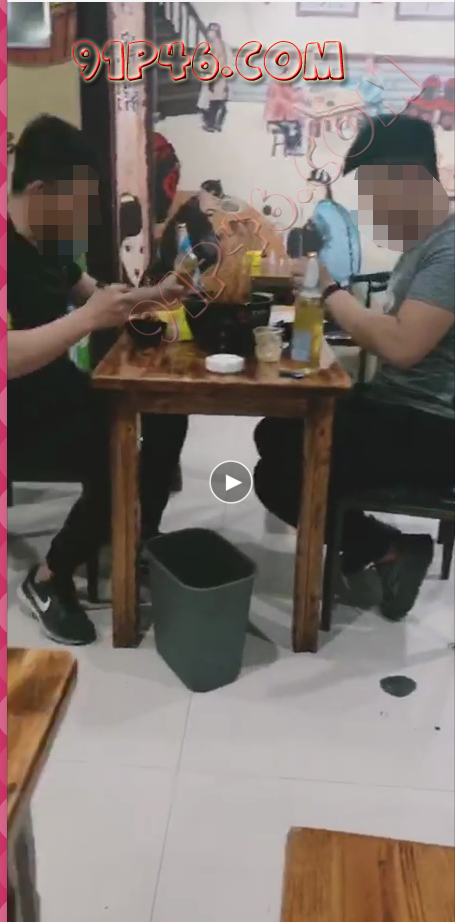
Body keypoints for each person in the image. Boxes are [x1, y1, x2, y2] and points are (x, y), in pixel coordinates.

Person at [254, 115, 454, 621]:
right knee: (276, 433)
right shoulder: (426, 242)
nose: (370, 205)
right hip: (401, 408)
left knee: (278, 468)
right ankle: (375, 546)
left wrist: (328, 290)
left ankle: (385, 548)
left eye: (374, 189)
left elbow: (403, 346)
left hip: (434, 431)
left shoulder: (450, 251)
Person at [8, 115, 189, 645]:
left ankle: (137, 535)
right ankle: (49, 578)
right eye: (79, 203)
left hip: (53, 386)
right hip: (16, 409)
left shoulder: (50, 242)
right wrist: (86, 320)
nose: (85, 217)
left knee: (167, 412)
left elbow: (97, 296)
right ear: (40, 192)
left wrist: (159, 294)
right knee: (117, 452)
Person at [153, 179, 224, 277]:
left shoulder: (193, 206)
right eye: (212, 199)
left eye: (217, 201)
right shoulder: (192, 213)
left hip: (174, 256)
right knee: (214, 251)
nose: (215, 205)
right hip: (173, 260)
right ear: (201, 195)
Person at [199, 23, 231, 133]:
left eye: (212, 31)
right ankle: (214, 123)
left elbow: (216, 62)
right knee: (215, 101)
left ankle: (211, 124)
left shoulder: (216, 45)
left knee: (213, 102)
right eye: (209, 31)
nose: (209, 33)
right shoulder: (217, 44)